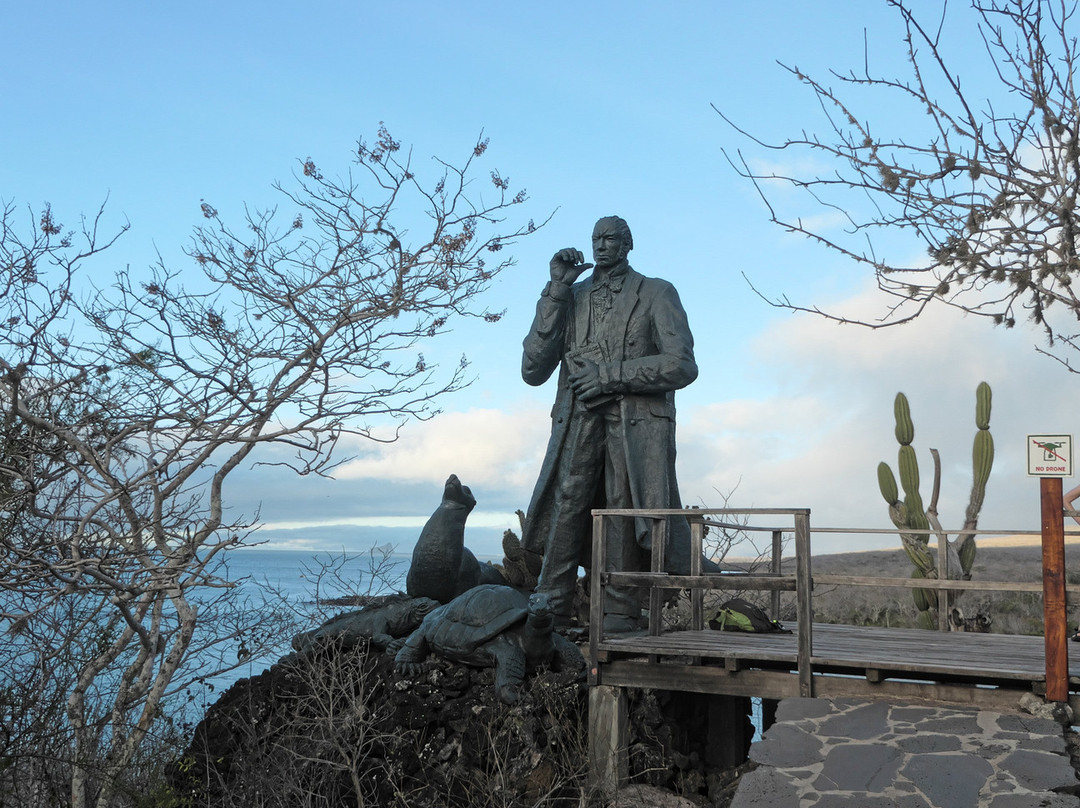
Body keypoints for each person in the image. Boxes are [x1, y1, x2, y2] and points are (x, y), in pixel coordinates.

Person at [519, 215, 698, 632]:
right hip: (577, 416)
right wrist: (557, 289)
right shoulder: (571, 296)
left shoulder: (656, 292)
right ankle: (551, 602)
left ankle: (619, 609)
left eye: (611, 238)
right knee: (568, 499)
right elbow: (532, 368)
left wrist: (610, 374)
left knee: (622, 505)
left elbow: (681, 365)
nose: (601, 245)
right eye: (595, 238)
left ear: (628, 244)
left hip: (633, 422)